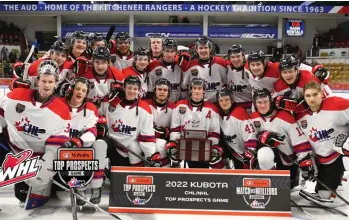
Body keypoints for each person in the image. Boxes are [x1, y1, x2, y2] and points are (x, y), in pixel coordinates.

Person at [0, 60, 71, 206]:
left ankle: (48, 186)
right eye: (44, 81)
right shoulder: (17, 95)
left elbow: (54, 150)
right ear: (37, 80)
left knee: (24, 196)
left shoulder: (62, 111)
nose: (46, 85)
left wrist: (43, 171)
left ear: (56, 83)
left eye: (50, 81)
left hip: (36, 160)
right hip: (12, 151)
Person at [296, 81, 348, 207]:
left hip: (338, 154)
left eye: (315, 94)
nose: (312, 99)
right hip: (320, 159)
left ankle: (343, 184)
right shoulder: (300, 117)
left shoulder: (336, 104)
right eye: (308, 96)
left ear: (322, 94)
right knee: (324, 194)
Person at [58, 77, 107, 205]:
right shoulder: (59, 104)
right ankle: (81, 188)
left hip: (81, 144)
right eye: (78, 89)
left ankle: (96, 187)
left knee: (100, 144)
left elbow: (92, 132)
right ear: (72, 89)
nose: (80, 92)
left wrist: (79, 140)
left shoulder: (91, 108)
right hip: (61, 148)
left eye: (84, 90)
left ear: (86, 94)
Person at [249, 88, 313, 189]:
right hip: (269, 157)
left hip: (288, 160)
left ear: (270, 102)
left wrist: (304, 160)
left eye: (265, 102)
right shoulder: (253, 118)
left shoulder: (285, 117)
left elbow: (299, 141)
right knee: (264, 154)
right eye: (259, 102)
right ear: (255, 104)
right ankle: (270, 179)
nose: (262, 105)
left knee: (288, 188)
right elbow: (251, 139)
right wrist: (261, 137)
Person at [167, 78, 222, 168]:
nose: (197, 91)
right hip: (182, 146)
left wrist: (213, 148)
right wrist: (174, 146)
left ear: (204, 91)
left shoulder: (212, 109)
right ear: (190, 90)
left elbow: (214, 133)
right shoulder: (180, 106)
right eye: (194, 88)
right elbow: (175, 129)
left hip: (203, 148)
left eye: (199, 88)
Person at [63, 47, 124, 114]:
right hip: (86, 109)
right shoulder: (83, 73)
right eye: (97, 62)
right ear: (92, 61)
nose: (100, 66)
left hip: (108, 111)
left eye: (103, 63)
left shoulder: (118, 75)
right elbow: (72, 94)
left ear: (109, 62)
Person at [217, 87, 258, 169]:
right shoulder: (218, 115)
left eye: (227, 99)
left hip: (245, 152)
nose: (224, 103)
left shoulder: (239, 112)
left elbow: (251, 135)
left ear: (232, 100)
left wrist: (250, 153)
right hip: (234, 152)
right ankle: (223, 177)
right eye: (221, 100)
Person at [181, 35, 227, 103]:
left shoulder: (220, 62)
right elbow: (184, 88)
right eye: (201, 48)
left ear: (210, 48)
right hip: (198, 105)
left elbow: (226, 83)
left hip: (218, 105)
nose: (203, 50)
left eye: (206, 47)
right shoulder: (189, 65)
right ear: (196, 50)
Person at [147, 38, 189, 102]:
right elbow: (150, 91)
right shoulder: (153, 66)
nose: (169, 54)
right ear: (162, 51)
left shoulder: (179, 67)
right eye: (167, 51)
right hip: (157, 107)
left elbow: (183, 89)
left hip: (174, 107)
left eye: (172, 51)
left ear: (175, 52)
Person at [145, 78, 175, 167]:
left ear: (168, 92)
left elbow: (175, 130)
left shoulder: (174, 108)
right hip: (145, 138)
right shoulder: (145, 105)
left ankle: (164, 173)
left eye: (165, 90)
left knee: (160, 144)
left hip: (164, 140)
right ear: (155, 91)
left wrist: (166, 132)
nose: (162, 92)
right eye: (159, 89)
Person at [226, 44, 253, 113]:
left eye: (238, 56)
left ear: (243, 56)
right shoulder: (227, 67)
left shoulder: (251, 68)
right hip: (234, 108)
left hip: (251, 107)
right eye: (233, 57)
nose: (236, 59)